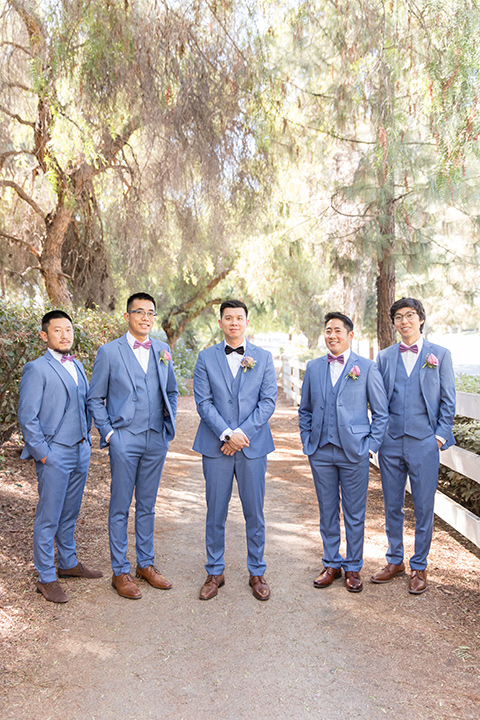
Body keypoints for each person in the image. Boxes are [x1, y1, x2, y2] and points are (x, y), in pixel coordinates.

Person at [88, 292, 178, 599]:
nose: (145, 318)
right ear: (127, 316)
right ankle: (120, 571)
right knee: (120, 506)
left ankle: (146, 564)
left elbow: (172, 391)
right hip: (124, 438)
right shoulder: (109, 352)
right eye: (139, 312)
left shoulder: (163, 349)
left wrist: (168, 425)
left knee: (148, 505)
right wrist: (110, 434)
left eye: (151, 313)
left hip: (155, 438)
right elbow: (94, 398)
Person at [192, 300, 277, 601]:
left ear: (246, 322)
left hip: (252, 446)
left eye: (239, 318)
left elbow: (268, 401)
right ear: (220, 322)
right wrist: (226, 434)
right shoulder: (205, 358)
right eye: (228, 318)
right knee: (215, 511)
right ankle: (215, 571)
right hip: (215, 446)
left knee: (254, 511)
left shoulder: (263, 358)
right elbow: (203, 402)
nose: (234, 323)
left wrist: (241, 434)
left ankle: (257, 570)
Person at [298, 312, 388, 593]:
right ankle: (331, 563)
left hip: (354, 453)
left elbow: (381, 414)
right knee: (327, 511)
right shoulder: (313, 368)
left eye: (337, 330)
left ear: (350, 335)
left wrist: (370, 447)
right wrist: (307, 442)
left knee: (354, 512)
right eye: (327, 330)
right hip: (321, 452)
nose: (332, 335)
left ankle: (353, 567)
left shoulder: (368, 368)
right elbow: (305, 410)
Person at [371, 298, 456, 594]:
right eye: (398, 317)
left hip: (424, 444)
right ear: (393, 322)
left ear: (420, 319)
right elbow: (377, 400)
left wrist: (439, 438)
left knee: (423, 506)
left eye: (410, 315)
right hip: (390, 443)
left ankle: (419, 565)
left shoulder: (440, 355)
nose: (404, 321)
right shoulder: (384, 357)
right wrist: (377, 436)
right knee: (392, 505)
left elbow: (448, 400)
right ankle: (395, 560)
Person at [18, 310, 102, 604]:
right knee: (48, 517)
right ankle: (46, 576)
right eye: (58, 330)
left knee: (70, 512)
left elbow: (86, 403)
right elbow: (27, 417)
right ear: (45, 335)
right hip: (54, 453)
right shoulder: (35, 369)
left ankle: (67, 564)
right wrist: (43, 455)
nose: (65, 335)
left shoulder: (78, 365)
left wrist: (89, 438)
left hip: (80, 450)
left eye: (68, 329)